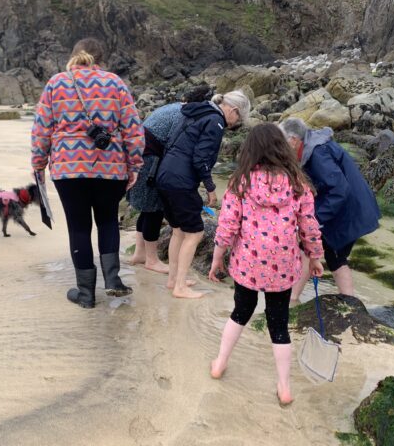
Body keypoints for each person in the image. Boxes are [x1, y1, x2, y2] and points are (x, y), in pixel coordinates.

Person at [207, 123, 324, 405]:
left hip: (248, 263)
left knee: (241, 311)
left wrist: (217, 257)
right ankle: (284, 387)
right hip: (283, 265)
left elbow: (227, 224)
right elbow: (309, 225)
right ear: (283, 148)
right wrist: (315, 256)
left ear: (251, 150)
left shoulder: (241, 182)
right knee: (279, 323)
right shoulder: (298, 184)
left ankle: (220, 362)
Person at [31, 38, 144, 309]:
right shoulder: (116, 83)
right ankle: (113, 281)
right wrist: (135, 165)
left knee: (79, 226)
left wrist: (38, 164)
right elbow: (132, 128)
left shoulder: (56, 83)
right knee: (107, 222)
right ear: (101, 59)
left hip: (68, 169)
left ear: (73, 56)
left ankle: (86, 294)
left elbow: (41, 129)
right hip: (110, 166)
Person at [156, 90, 250, 299]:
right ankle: (180, 286)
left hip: (164, 174)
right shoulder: (215, 121)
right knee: (195, 232)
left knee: (178, 229)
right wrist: (210, 188)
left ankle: (173, 279)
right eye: (238, 119)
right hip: (180, 180)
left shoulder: (196, 111)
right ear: (233, 110)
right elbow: (201, 159)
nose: (234, 125)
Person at [279, 118, 380, 302]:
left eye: (281, 143)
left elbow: (338, 190)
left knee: (311, 249)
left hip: (348, 209)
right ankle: (349, 304)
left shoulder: (318, 153)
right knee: (335, 256)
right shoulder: (312, 148)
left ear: (293, 141)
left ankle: (292, 300)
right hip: (349, 206)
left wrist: (313, 219)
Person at [127, 85, 213, 274]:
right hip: (150, 161)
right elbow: (176, 147)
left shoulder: (174, 107)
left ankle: (140, 253)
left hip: (138, 156)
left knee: (146, 208)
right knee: (154, 209)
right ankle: (151, 259)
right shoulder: (183, 114)